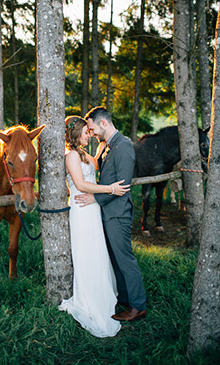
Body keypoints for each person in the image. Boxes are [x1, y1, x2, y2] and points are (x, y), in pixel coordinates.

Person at [59, 115, 130, 338]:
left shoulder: (82, 153)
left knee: (98, 252)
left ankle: (103, 294)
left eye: (90, 132)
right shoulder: (70, 155)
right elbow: (80, 184)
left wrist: (101, 144)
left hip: (93, 209)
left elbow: (96, 164)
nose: (89, 135)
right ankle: (90, 299)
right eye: (86, 132)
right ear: (76, 133)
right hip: (81, 210)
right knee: (87, 254)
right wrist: (110, 189)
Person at [75, 106, 147, 322]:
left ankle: (138, 306)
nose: (92, 134)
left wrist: (94, 198)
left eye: (93, 129)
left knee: (125, 259)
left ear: (103, 123)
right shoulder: (108, 145)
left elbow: (123, 185)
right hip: (108, 212)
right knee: (115, 259)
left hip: (118, 214)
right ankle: (125, 298)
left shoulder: (123, 146)